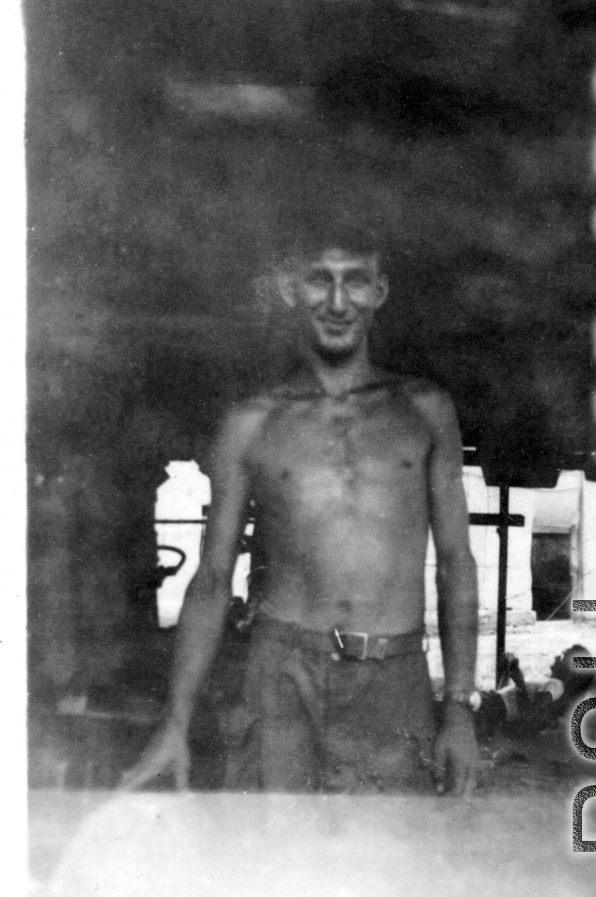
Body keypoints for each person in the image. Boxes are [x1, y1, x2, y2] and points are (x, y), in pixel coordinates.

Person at [122, 227, 480, 796]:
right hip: (280, 675)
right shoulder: (251, 422)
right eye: (320, 279)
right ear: (290, 288)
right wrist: (176, 720)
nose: (338, 303)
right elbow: (212, 578)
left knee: (387, 871)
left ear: (379, 291)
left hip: (393, 678)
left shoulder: (424, 409)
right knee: (273, 866)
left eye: (355, 281)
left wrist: (460, 706)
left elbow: (456, 561)